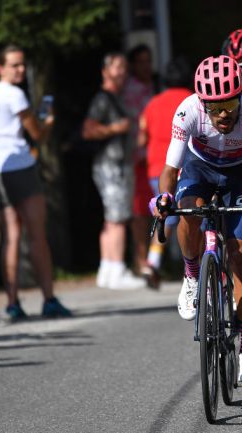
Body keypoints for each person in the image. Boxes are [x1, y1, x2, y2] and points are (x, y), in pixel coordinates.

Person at [152, 55, 242, 386]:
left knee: (238, 254)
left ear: (241, 95)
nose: (223, 114)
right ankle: (192, 274)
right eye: (214, 107)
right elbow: (170, 171)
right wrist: (163, 198)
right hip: (201, 168)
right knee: (187, 210)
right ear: (202, 102)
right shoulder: (188, 110)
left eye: (230, 104)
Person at [0, 45, 72, 320]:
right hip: (19, 167)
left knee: (10, 237)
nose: (20, 69)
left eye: (22, 64)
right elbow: (37, 134)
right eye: (14, 65)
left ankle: (12, 303)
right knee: (36, 235)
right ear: (0, 68)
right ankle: (49, 299)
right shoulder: (15, 93)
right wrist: (49, 122)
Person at [82, 52, 147, 290]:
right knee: (118, 218)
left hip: (118, 165)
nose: (122, 72)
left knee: (112, 219)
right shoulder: (103, 99)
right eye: (117, 67)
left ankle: (107, 270)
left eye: (124, 67)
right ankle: (118, 269)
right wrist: (114, 129)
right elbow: (88, 130)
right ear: (105, 71)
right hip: (112, 166)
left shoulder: (115, 98)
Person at [139, 58, 193, 287]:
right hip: (184, 165)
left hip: (157, 168)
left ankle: (153, 261)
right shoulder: (192, 100)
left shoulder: (152, 103)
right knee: (191, 216)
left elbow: (142, 136)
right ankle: (190, 265)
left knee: (165, 217)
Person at [123, 44, 156, 286]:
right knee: (139, 214)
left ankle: (148, 262)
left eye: (148, 61)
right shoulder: (130, 90)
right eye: (141, 61)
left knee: (148, 210)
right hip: (137, 158)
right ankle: (141, 259)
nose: (146, 66)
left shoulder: (152, 87)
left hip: (151, 157)